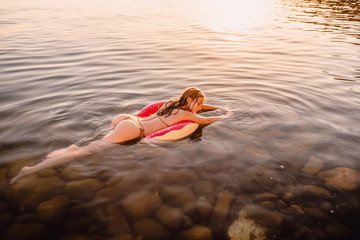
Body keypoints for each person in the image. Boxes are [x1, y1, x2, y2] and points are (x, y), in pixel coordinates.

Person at [10, 87, 232, 184]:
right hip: (135, 131)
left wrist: (217, 105)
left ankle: (70, 149)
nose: (200, 107)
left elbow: (197, 108)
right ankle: (29, 170)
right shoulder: (186, 112)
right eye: (199, 103)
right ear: (191, 100)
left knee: (91, 146)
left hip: (128, 120)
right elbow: (206, 120)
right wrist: (227, 114)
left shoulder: (171, 103)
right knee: (87, 153)